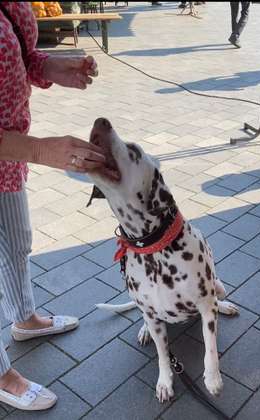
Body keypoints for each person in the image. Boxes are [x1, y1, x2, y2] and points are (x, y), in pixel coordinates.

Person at [0, 2, 105, 411]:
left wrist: (48, 66)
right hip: (14, 148)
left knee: (16, 242)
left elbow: (19, 55)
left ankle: (23, 318)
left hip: (7, 159)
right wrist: (41, 149)